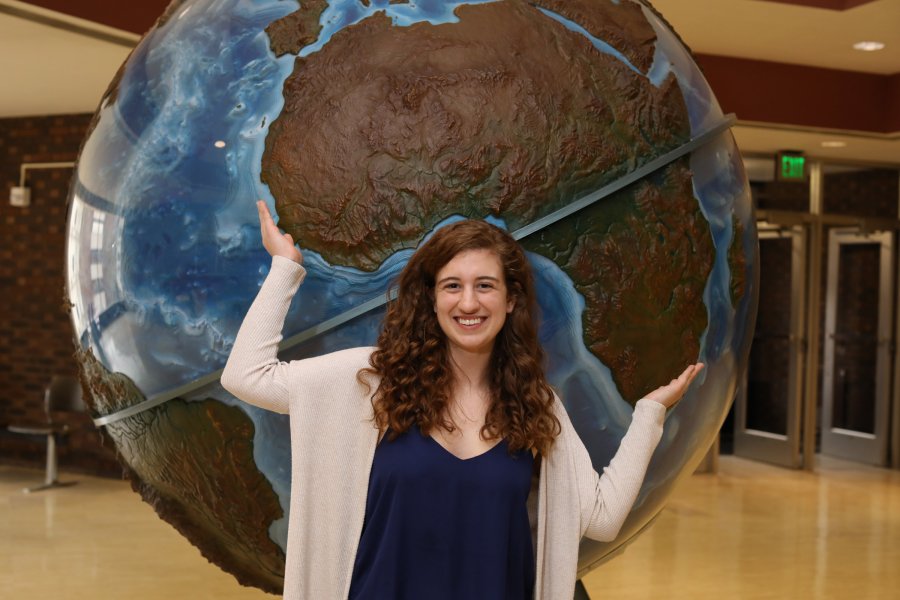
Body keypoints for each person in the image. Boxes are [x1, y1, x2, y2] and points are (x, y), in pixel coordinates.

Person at [221, 201, 703, 600]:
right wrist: (286, 269)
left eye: (485, 286)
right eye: (452, 286)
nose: (468, 303)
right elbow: (246, 375)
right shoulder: (374, 381)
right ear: (431, 299)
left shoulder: (535, 404)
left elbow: (602, 517)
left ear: (511, 300)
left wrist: (650, 414)